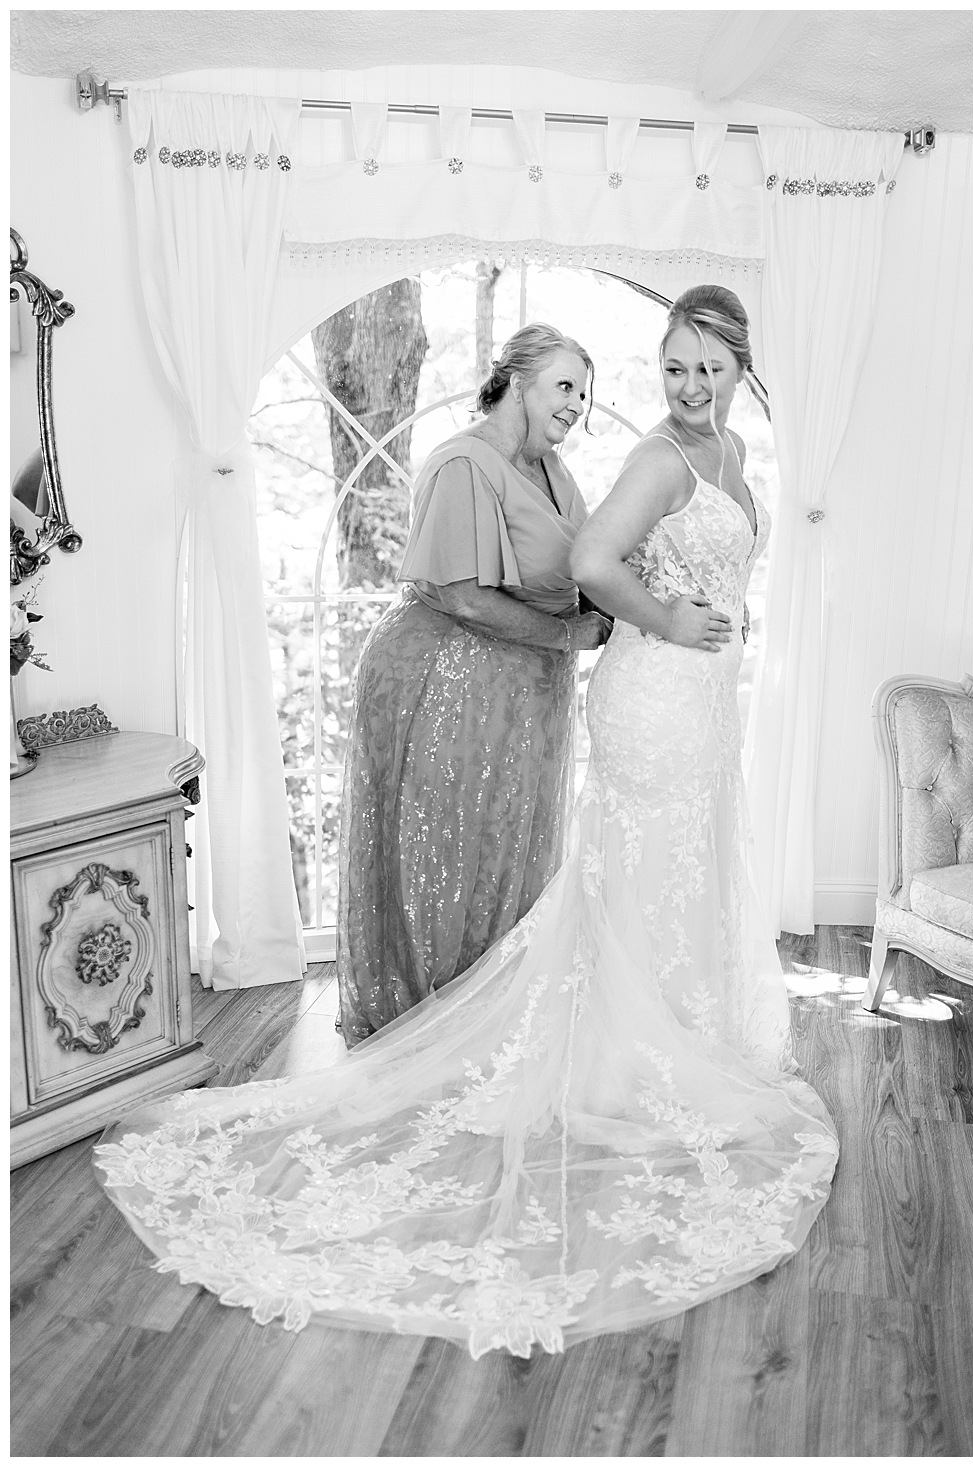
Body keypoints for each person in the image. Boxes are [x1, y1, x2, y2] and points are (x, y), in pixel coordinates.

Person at [95, 286, 835, 1360]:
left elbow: (656, 562)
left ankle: (666, 1034)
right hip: (618, 695)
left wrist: (710, 605)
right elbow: (586, 569)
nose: (687, 385)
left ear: (739, 372)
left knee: (669, 870)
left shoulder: (693, 456)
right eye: (673, 366)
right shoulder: (634, 458)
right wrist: (665, 622)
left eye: (708, 369)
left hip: (678, 699)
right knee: (629, 869)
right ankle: (616, 1060)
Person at [336, 323, 612, 1043]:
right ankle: (438, 1017)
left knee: (507, 848)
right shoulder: (464, 464)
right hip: (449, 679)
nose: (576, 404)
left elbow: (585, 566)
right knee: (450, 849)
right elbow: (462, 596)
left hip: (523, 686)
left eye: (583, 393)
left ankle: (493, 1010)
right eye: (564, 386)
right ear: (517, 382)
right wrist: (569, 637)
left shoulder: (552, 470)